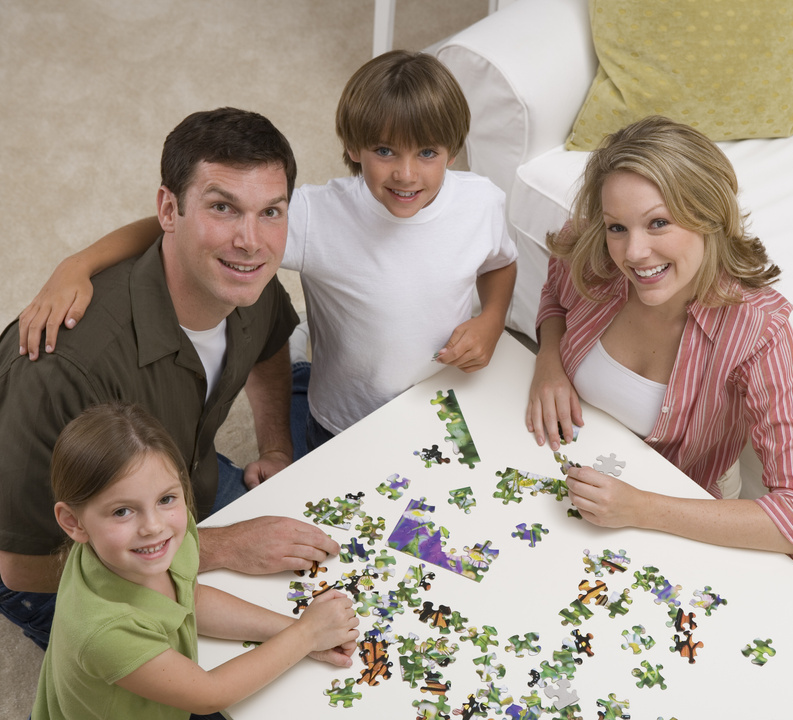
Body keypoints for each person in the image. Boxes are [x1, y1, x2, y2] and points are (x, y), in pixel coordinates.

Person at [18, 50, 518, 455]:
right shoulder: (315, 215)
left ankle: (297, 355)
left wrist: (492, 319)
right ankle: (299, 366)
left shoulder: (481, 203)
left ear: (453, 150)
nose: (406, 174)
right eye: (385, 151)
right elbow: (179, 226)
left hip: (440, 399)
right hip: (340, 417)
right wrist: (77, 264)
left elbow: (501, 263)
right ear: (353, 148)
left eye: (427, 153)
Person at [0, 108, 339, 649]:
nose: (251, 241)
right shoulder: (64, 373)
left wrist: (276, 446)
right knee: (218, 680)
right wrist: (222, 546)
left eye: (270, 212)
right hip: (66, 563)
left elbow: (271, 342)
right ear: (168, 209)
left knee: (319, 565)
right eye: (223, 207)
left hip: (185, 482)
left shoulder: (247, 281)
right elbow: (21, 567)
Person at [526, 116, 793, 558]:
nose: (633, 253)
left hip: (675, 508)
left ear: (708, 217)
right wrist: (549, 362)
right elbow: (556, 293)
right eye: (617, 227)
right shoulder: (594, 248)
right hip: (574, 473)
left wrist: (641, 508)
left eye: (658, 223)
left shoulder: (760, 333)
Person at [34, 402, 359, 720]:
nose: (153, 526)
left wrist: (302, 633)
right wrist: (305, 635)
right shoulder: (105, 631)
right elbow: (211, 695)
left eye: (166, 498)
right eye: (122, 511)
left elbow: (190, 598)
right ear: (73, 522)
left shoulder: (160, 537)